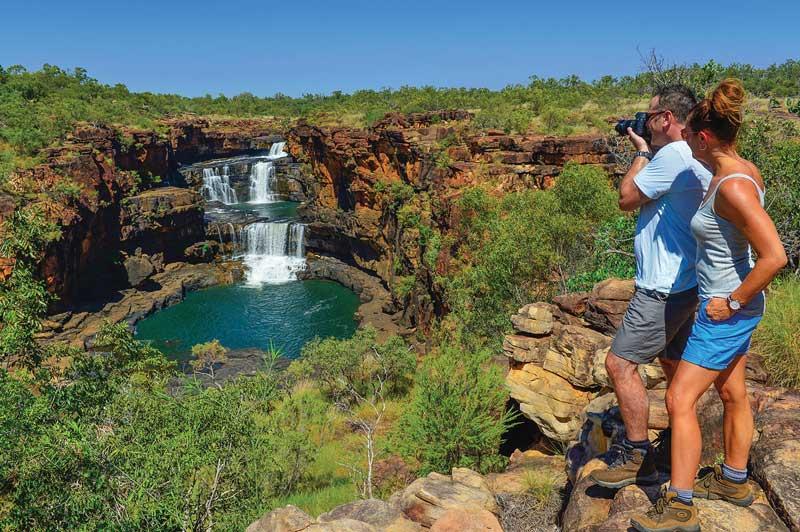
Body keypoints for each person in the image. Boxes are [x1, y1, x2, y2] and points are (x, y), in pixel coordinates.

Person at [630, 79, 788, 532]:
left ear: (703, 138)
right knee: (732, 392)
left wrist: (731, 303)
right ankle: (734, 481)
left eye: (688, 138)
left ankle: (679, 507)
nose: (685, 146)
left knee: (679, 398)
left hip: (725, 309)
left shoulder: (733, 186)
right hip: (731, 305)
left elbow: (774, 256)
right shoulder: (739, 170)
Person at [590, 85, 712, 489]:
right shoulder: (695, 154)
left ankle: (639, 456)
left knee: (620, 364)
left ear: (666, 119)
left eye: (649, 114)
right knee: (673, 363)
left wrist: (641, 152)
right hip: (687, 282)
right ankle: (679, 443)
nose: (644, 121)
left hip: (662, 288)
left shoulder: (672, 155)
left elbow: (626, 197)